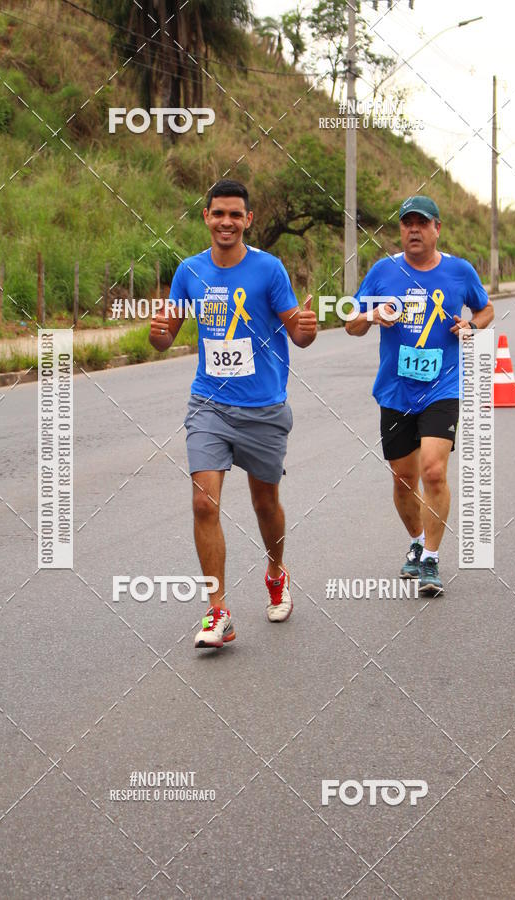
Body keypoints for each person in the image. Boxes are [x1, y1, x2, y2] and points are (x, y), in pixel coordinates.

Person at [149, 179, 317, 648]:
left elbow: (299, 336)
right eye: (218, 213)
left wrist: (308, 328)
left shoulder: (269, 270)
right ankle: (217, 611)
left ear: (248, 220)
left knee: (265, 503)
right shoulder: (189, 271)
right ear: (206, 217)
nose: (226, 222)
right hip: (209, 404)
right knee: (204, 502)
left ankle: (276, 572)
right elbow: (165, 337)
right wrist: (157, 332)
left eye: (235, 215)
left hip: (263, 408)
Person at [345, 195, 494, 595]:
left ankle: (430, 557)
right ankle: (416, 541)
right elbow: (351, 323)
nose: (413, 229)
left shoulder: (459, 271)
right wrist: (371, 316)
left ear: (436, 228)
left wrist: (472, 327)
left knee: (433, 471)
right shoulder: (383, 272)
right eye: (407, 223)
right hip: (395, 391)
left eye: (422, 223)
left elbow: (486, 310)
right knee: (403, 479)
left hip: (443, 387)